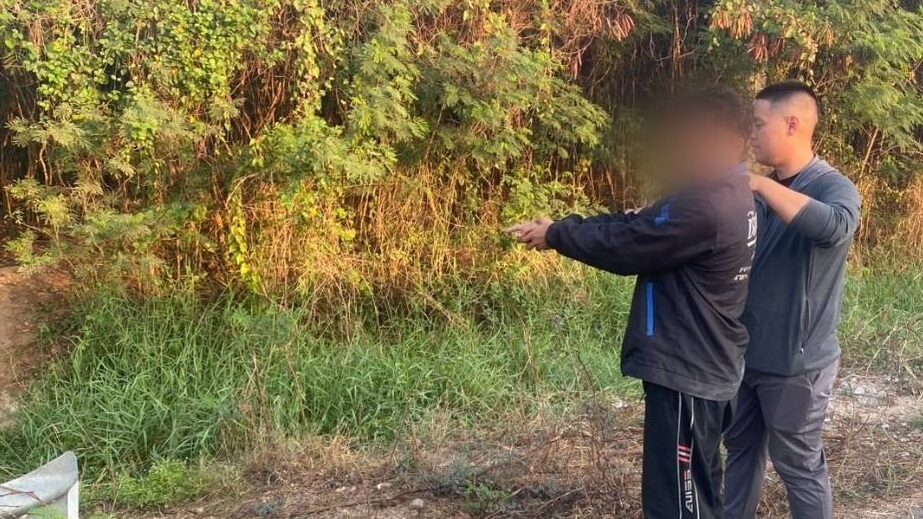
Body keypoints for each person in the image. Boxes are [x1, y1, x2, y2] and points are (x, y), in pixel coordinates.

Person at [507, 88, 757, 519]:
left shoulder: (708, 206)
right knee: (698, 495)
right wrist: (563, 228)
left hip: (690, 369)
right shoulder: (716, 193)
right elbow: (638, 223)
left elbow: (628, 246)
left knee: (679, 506)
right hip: (701, 365)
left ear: (731, 142)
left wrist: (556, 235)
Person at [723, 81, 861, 519]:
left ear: (792, 124)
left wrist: (761, 188)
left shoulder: (833, 187)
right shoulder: (758, 189)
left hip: (797, 364)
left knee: (798, 464)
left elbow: (834, 227)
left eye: (759, 124)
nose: (752, 133)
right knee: (740, 451)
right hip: (746, 354)